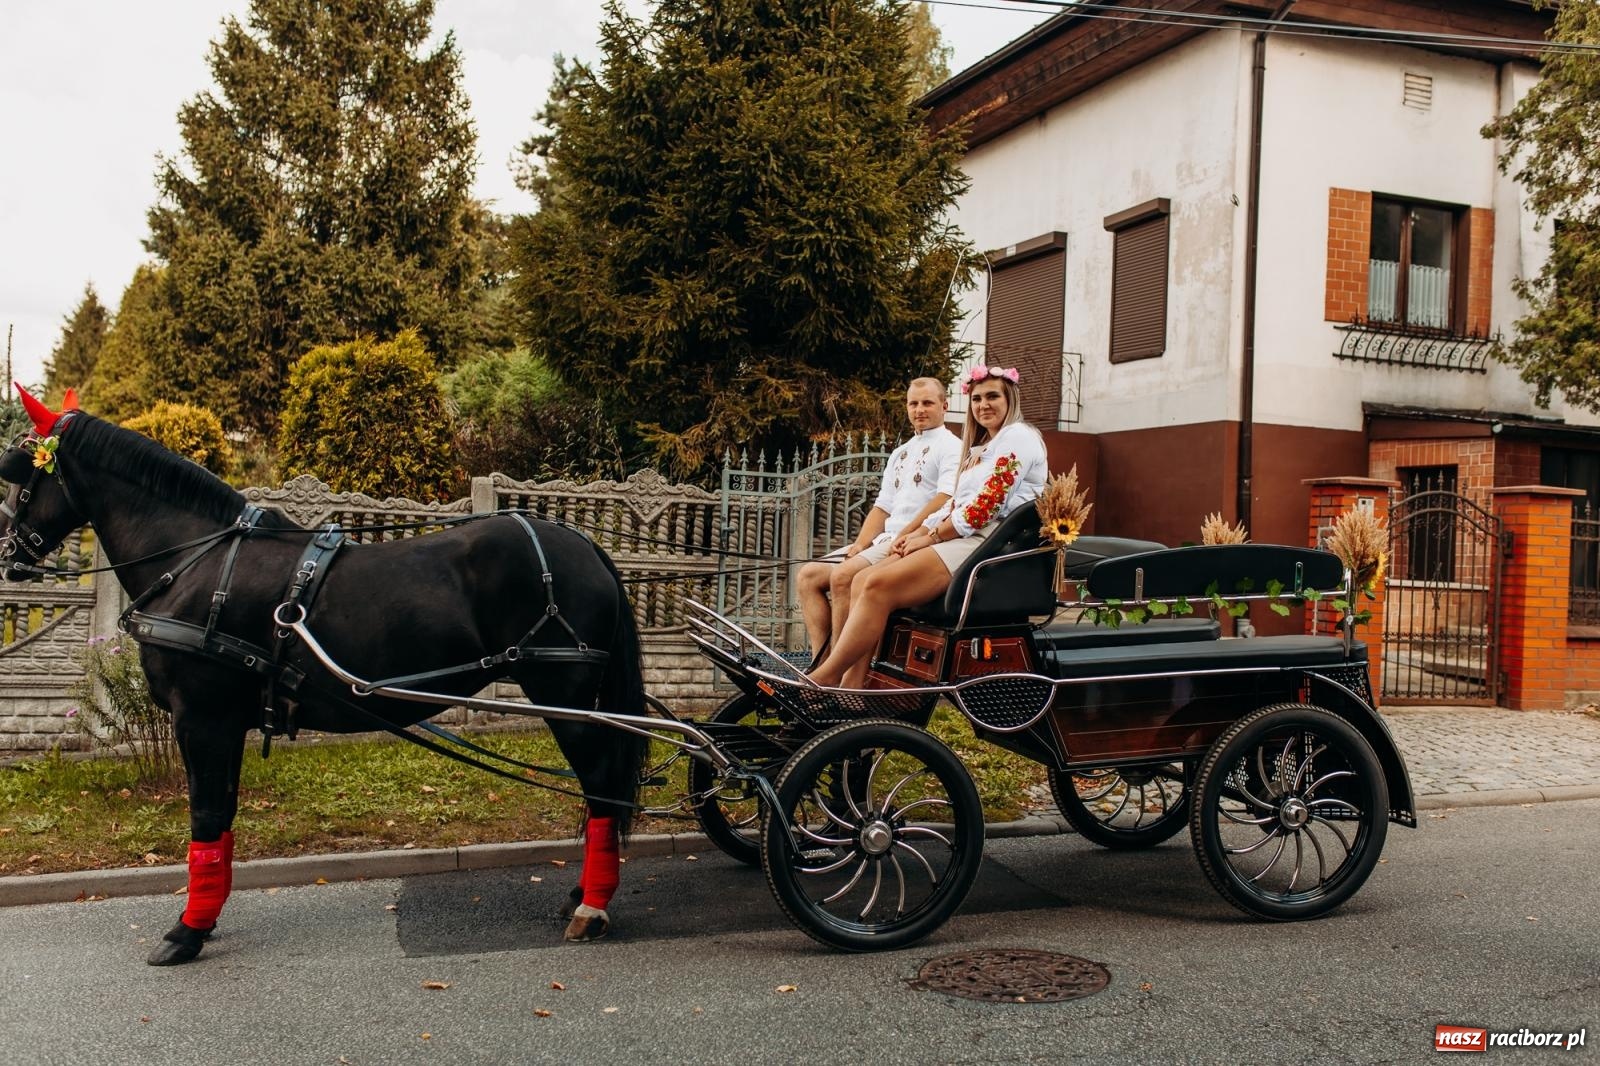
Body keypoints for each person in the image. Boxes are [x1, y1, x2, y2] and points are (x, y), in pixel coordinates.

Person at [808, 365, 1048, 688]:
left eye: (993, 396)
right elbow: (954, 505)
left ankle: (827, 676)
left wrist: (930, 537)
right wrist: (917, 535)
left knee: (876, 583)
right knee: (863, 578)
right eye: (977, 398)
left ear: (1011, 399)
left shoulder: (1020, 436)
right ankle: (850, 684)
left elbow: (982, 509)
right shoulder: (981, 449)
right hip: (962, 534)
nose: (983, 405)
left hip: (988, 540)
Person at [796, 377, 961, 661]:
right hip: (884, 541)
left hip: (912, 542)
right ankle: (818, 663)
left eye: (927, 403)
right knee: (808, 576)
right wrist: (860, 544)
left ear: (944, 406)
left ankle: (838, 667)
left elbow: (946, 497)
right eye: (913, 403)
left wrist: (906, 533)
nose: (919, 409)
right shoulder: (900, 452)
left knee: (843, 576)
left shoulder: (952, 446)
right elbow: (882, 507)